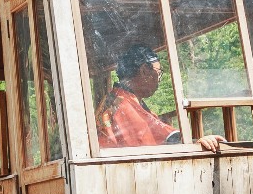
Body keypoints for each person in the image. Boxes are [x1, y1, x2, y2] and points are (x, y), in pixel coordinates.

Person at [96, 46, 227, 151]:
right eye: (158, 73)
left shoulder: (119, 98)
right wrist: (193, 143)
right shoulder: (122, 103)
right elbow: (153, 134)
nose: (158, 80)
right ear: (144, 71)